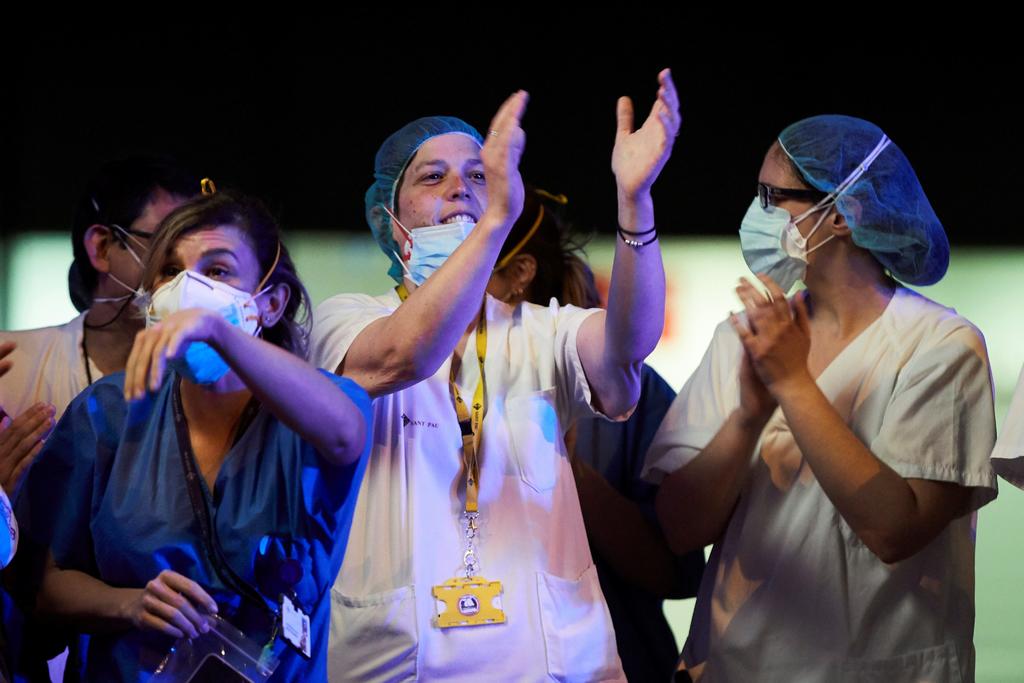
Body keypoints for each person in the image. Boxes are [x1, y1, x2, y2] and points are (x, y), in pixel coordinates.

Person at [312, 71, 680, 681]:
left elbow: (627, 345)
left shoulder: (542, 330)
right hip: (397, 662)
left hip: (548, 664)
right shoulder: (345, 319)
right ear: (389, 216)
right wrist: (494, 220)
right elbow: (405, 355)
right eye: (434, 177)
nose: (460, 187)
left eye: (478, 176)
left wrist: (635, 202)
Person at [645, 115, 998, 682]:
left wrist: (792, 384)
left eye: (772, 197)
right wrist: (747, 418)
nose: (755, 213)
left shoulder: (941, 347)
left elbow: (895, 530)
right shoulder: (741, 338)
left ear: (840, 214)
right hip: (735, 668)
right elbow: (680, 530)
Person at [15, 191, 372, 682]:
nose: (188, 289)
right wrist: (128, 604)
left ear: (270, 304)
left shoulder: (316, 408)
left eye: (218, 271)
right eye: (170, 271)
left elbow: (346, 434)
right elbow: (42, 586)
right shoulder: (108, 413)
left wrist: (217, 332)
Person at [499, 187, 705, 681]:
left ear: (518, 276)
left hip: (613, 663)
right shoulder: (427, 381)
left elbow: (677, 573)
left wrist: (571, 473)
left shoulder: (630, 394)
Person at [0, 156, 196, 497]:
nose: (190, 273)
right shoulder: (11, 369)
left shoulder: (216, 379)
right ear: (102, 248)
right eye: (168, 244)